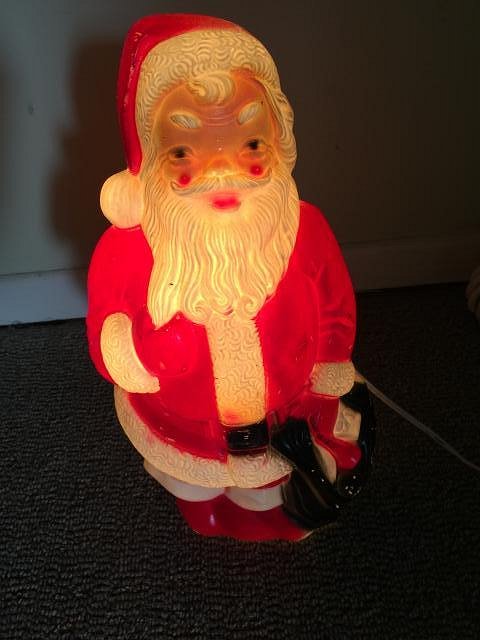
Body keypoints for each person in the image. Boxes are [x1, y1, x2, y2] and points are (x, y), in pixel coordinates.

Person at [87, 14, 374, 541]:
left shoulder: (303, 228)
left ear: (277, 138)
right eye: (183, 152)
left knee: (271, 492)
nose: (223, 170)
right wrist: (144, 355)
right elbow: (108, 341)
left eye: (250, 145)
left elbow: (334, 302)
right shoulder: (126, 250)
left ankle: (268, 511)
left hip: (285, 414)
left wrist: (329, 364)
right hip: (185, 429)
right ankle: (206, 509)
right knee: (196, 491)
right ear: (151, 160)